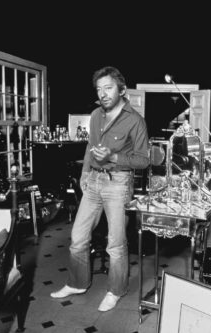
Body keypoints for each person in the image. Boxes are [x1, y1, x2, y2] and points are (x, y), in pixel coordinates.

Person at [51, 66, 149, 312]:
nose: (103, 93)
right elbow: (89, 148)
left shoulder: (135, 121)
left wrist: (113, 157)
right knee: (77, 238)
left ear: (122, 90)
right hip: (93, 182)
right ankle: (77, 283)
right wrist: (85, 172)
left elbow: (144, 160)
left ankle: (116, 290)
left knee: (115, 244)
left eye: (108, 88)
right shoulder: (95, 115)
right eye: (99, 88)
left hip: (118, 184)